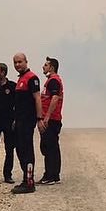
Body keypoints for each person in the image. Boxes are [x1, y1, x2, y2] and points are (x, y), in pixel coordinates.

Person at [10, 52, 42, 194]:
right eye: (15, 62)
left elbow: (37, 99)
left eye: (20, 62)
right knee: (20, 149)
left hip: (28, 121)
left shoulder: (32, 78)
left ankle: (29, 183)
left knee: (27, 150)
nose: (17, 65)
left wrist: (39, 118)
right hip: (19, 121)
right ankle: (25, 179)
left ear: (26, 62)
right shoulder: (20, 79)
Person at [38, 56, 64, 184]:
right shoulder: (50, 81)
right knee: (48, 146)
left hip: (52, 120)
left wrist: (46, 117)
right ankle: (52, 175)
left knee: (50, 147)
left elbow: (54, 98)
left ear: (52, 67)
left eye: (46, 65)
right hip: (50, 118)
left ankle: (51, 176)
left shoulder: (54, 81)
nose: (43, 67)